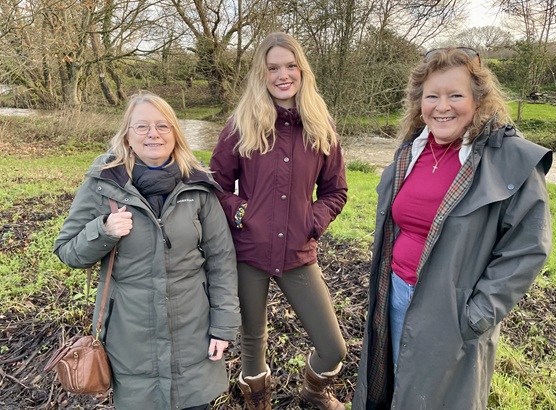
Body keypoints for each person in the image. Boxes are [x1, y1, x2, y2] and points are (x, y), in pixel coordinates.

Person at [352, 47, 552, 409]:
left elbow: (527, 249)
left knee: (439, 400)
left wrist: (476, 316)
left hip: (453, 312)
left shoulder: (510, 159)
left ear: (478, 99)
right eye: (432, 96)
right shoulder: (411, 150)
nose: (442, 106)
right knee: (397, 384)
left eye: (455, 95)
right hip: (395, 294)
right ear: (419, 102)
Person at [53, 92, 240, 410]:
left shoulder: (199, 186)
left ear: (175, 133)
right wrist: (103, 230)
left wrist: (223, 327)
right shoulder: (102, 183)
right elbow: (68, 252)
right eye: (142, 126)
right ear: (127, 133)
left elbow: (222, 262)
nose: (153, 134)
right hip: (131, 345)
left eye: (162, 126)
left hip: (194, 340)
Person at [209, 32, 348, 410]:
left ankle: (313, 392)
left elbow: (336, 192)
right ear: (262, 73)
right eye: (273, 68)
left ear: (302, 70)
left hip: (298, 252)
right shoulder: (241, 124)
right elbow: (215, 186)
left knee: (333, 347)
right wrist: (242, 212)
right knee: (253, 340)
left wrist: (312, 220)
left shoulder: (321, 127)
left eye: (290, 66)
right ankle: (258, 403)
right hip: (249, 251)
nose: (282, 74)